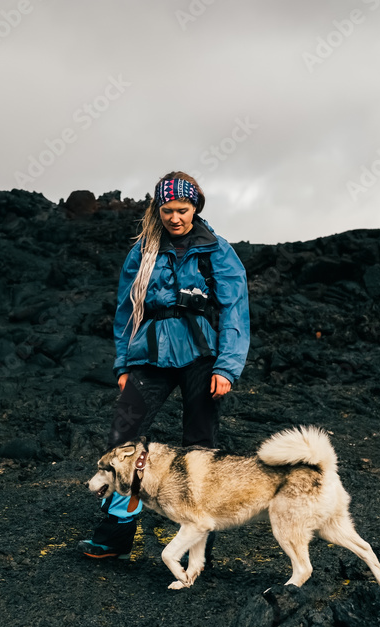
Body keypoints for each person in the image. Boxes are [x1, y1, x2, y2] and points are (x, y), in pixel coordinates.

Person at [77, 170, 251, 560]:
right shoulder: (141, 252)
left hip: (202, 355)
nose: (175, 218)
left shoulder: (217, 251)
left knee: (200, 449)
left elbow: (235, 311)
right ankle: (115, 537)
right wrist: (123, 365)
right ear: (157, 210)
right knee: (124, 438)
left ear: (196, 208)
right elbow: (126, 311)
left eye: (182, 210)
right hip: (149, 353)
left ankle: (197, 547)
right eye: (167, 210)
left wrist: (226, 367)